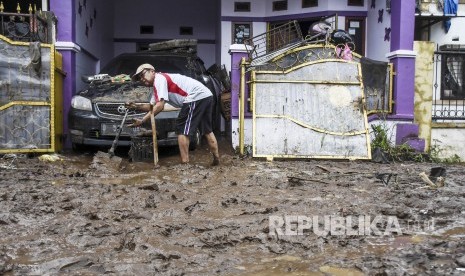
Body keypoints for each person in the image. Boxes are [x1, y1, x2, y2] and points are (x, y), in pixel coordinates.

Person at [127, 63, 220, 166]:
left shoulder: (159, 79)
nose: (142, 79)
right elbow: (152, 106)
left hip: (195, 96)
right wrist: (136, 107)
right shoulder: (157, 85)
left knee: (182, 130)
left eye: (142, 75)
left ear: (152, 71)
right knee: (207, 130)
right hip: (206, 95)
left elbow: (160, 106)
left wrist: (143, 118)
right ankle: (216, 159)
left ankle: (185, 164)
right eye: (139, 78)